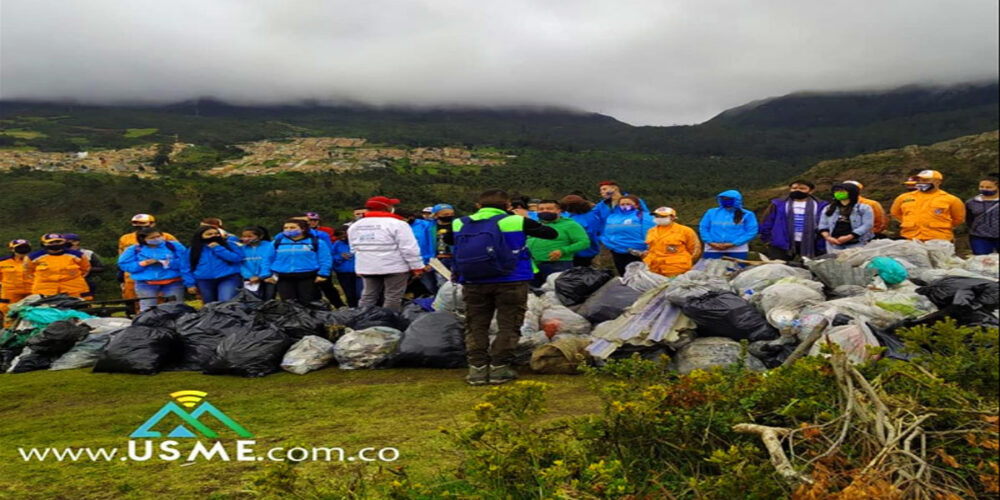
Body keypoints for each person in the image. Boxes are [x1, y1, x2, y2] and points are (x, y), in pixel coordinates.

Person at [451, 189, 557, 385]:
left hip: (473, 280)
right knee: (508, 323)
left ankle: (477, 369)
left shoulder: (460, 223)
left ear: (479, 206)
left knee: (475, 324)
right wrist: (518, 218)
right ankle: (500, 367)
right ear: (508, 206)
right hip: (511, 279)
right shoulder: (515, 221)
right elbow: (551, 233)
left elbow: (450, 241)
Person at [348, 196, 425, 313]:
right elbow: (409, 248)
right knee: (393, 297)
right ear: (387, 207)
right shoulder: (398, 224)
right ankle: (389, 322)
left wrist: (360, 265)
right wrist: (417, 267)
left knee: (368, 296)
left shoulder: (355, 225)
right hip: (395, 267)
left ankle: (361, 319)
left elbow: (354, 248)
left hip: (367, 267)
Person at [118, 227, 189, 312]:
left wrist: (167, 263)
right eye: (152, 238)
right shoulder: (134, 249)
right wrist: (142, 264)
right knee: (147, 308)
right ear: (143, 239)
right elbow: (124, 264)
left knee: (176, 307)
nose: (156, 239)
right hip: (145, 283)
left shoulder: (173, 246)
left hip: (173, 282)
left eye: (158, 236)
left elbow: (186, 261)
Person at [266, 219, 333, 303]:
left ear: (303, 229)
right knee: (288, 303)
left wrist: (323, 274)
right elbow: (267, 259)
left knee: (309, 302)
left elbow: (325, 259)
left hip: (308, 276)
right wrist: (266, 275)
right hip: (284, 277)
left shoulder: (316, 242)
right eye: (285, 228)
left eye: (292, 227)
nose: (288, 230)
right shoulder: (276, 243)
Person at [527, 199, 590, 286]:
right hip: (533, 265)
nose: (545, 211)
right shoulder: (535, 225)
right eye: (541, 209)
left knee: (558, 292)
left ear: (558, 211)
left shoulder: (570, 225)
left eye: (549, 209)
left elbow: (584, 242)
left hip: (558, 264)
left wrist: (563, 251)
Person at [758, 180, 827, 261]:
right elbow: (767, 221)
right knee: (780, 268)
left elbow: (826, 223)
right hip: (781, 243)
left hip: (812, 243)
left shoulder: (821, 205)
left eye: (802, 188)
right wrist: (768, 239)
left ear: (811, 191)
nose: (797, 190)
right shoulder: (778, 204)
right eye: (794, 188)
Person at [890, 170, 965, 242]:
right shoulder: (903, 197)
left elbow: (958, 219)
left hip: (939, 239)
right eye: (919, 180)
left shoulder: (951, 199)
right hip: (910, 238)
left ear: (938, 182)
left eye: (925, 180)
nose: (921, 183)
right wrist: (911, 222)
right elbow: (895, 213)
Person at [292, 214, 343, 306]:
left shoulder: (321, 235)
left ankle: (339, 306)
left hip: (319, 267)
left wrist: (325, 268)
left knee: (327, 288)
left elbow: (328, 252)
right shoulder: (283, 238)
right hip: (298, 268)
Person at [185, 225, 244, 303]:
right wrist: (190, 284)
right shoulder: (192, 250)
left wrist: (218, 248)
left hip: (228, 277)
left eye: (216, 234)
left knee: (225, 301)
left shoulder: (229, 245)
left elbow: (237, 258)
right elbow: (185, 267)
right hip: (204, 280)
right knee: (210, 304)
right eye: (209, 234)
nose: (213, 236)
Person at [599, 195, 655, 275]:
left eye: (628, 204)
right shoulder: (613, 217)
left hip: (638, 251)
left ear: (636, 205)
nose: (625, 206)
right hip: (617, 251)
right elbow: (606, 231)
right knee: (623, 272)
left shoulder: (644, 216)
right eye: (622, 204)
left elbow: (651, 232)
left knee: (639, 275)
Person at [699, 190, 758, 260]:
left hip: (737, 249)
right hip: (713, 249)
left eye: (729, 199)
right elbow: (704, 228)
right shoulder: (711, 212)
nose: (725, 201)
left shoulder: (747, 214)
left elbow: (752, 231)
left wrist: (734, 243)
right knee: (711, 269)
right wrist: (710, 242)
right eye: (723, 199)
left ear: (737, 200)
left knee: (738, 269)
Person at [27, 233, 91, 298]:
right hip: (44, 288)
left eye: (58, 241)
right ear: (44, 244)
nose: (55, 244)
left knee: (82, 305)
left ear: (64, 242)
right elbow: (29, 272)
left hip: (74, 287)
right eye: (51, 242)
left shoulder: (78, 255)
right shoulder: (33, 257)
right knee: (42, 307)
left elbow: (85, 269)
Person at [643, 207, 701, 277]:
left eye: (663, 216)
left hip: (676, 269)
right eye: (657, 216)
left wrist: (685, 261)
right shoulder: (651, 231)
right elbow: (650, 248)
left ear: (673, 217)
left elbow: (695, 250)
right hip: (653, 268)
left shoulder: (685, 231)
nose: (659, 218)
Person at [817, 183, 875, 254]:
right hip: (833, 243)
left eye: (842, 191)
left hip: (856, 243)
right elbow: (823, 224)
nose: (838, 193)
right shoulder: (828, 208)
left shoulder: (864, 208)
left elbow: (867, 225)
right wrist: (828, 237)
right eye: (837, 191)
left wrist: (850, 236)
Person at [423, 203, 457, 293]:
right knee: (441, 285)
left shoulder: (457, 224)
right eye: (445, 214)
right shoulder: (430, 227)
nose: (449, 216)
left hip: (455, 258)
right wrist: (427, 261)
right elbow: (425, 244)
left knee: (457, 283)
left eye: (451, 214)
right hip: (438, 259)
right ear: (436, 215)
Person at [560, 195, 601, 267]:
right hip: (570, 251)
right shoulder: (567, 215)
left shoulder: (590, 217)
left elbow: (590, 233)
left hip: (585, 252)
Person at [0, 239, 34, 321]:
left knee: (33, 314)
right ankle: (9, 332)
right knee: (9, 314)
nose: (22, 249)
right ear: (12, 249)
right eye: (19, 247)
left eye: (25, 247)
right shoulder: (2, 262)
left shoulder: (36, 260)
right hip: (10, 293)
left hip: (32, 291)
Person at [63, 233, 104, 300]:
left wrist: (84, 269)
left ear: (76, 242)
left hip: (86, 281)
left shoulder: (87, 253)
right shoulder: (60, 254)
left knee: (87, 301)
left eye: (68, 241)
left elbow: (101, 267)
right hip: (65, 282)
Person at [965, 175, 1000, 255]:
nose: (984, 189)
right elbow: (969, 219)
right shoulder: (971, 203)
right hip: (980, 237)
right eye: (981, 187)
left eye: (989, 187)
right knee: (982, 261)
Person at [239, 226, 276, 300]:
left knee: (269, 298)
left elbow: (269, 261)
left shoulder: (270, 246)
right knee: (252, 300)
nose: (246, 238)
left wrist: (262, 276)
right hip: (250, 279)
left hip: (268, 277)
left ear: (260, 236)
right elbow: (240, 264)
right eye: (244, 236)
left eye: (250, 236)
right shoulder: (241, 249)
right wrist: (249, 276)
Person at [331, 225, 363, 307]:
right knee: (349, 294)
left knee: (359, 294)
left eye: (344, 234)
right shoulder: (337, 244)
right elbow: (331, 256)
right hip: (343, 272)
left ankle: (362, 309)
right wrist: (340, 257)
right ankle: (352, 310)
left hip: (359, 272)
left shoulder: (359, 243)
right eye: (339, 234)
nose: (343, 237)